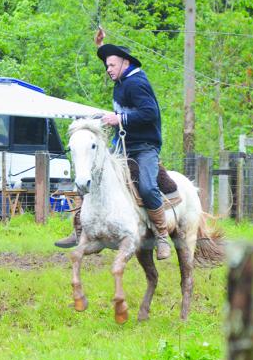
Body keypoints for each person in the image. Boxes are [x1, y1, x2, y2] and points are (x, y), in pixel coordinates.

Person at [55, 28, 171, 260]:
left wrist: (120, 119)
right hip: (124, 144)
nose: (108, 69)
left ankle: (162, 235)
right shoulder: (122, 78)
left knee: (147, 186)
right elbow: (112, 65)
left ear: (125, 63)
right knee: (94, 174)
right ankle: (80, 227)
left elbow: (150, 112)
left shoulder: (137, 83)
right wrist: (101, 47)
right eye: (107, 65)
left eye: (111, 65)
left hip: (144, 146)